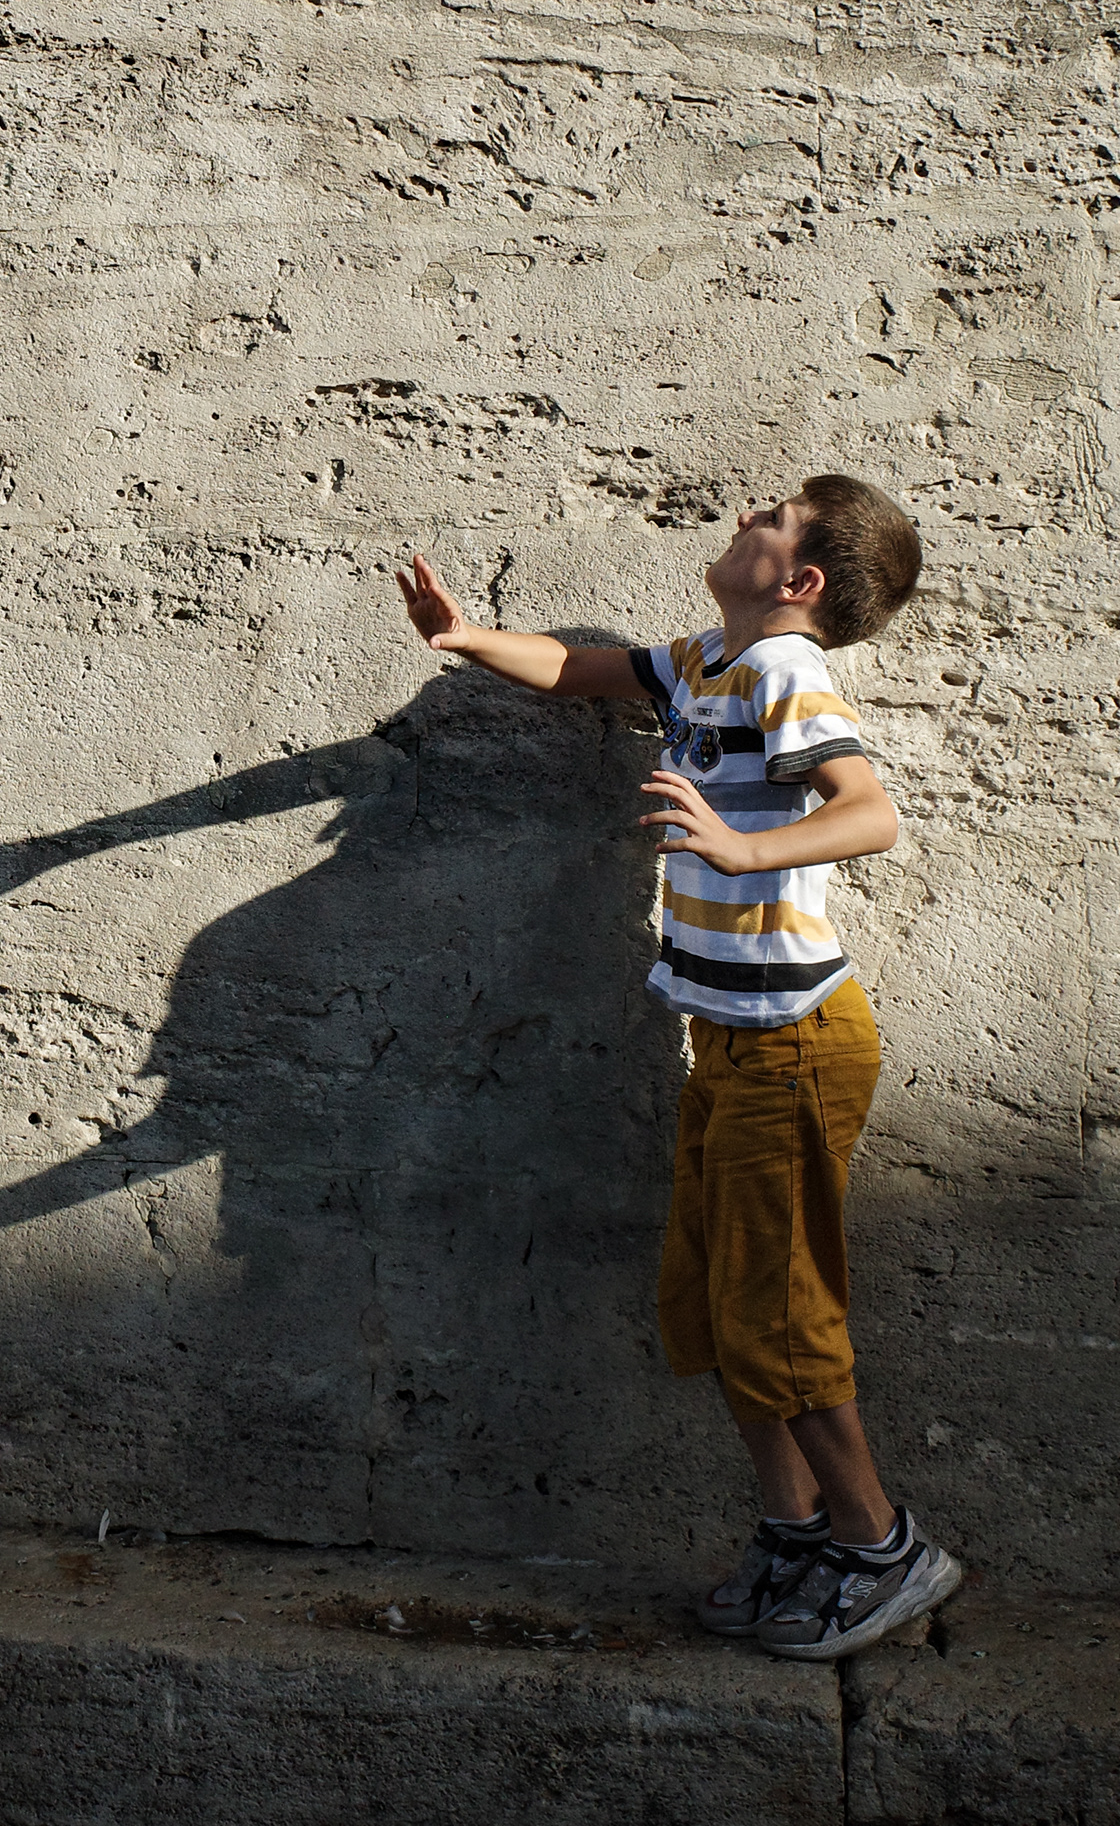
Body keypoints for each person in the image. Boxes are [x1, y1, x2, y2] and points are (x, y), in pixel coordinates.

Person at [394, 476, 962, 1660]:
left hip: (796, 1045)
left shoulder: (785, 674)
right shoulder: (710, 658)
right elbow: (577, 671)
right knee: (713, 1302)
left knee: (782, 1313)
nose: (750, 509)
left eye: (774, 514)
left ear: (800, 580)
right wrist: (462, 639)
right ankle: (794, 1530)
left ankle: (883, 1545)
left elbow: (869, 811)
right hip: (731, 1035)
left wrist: (742, 841)